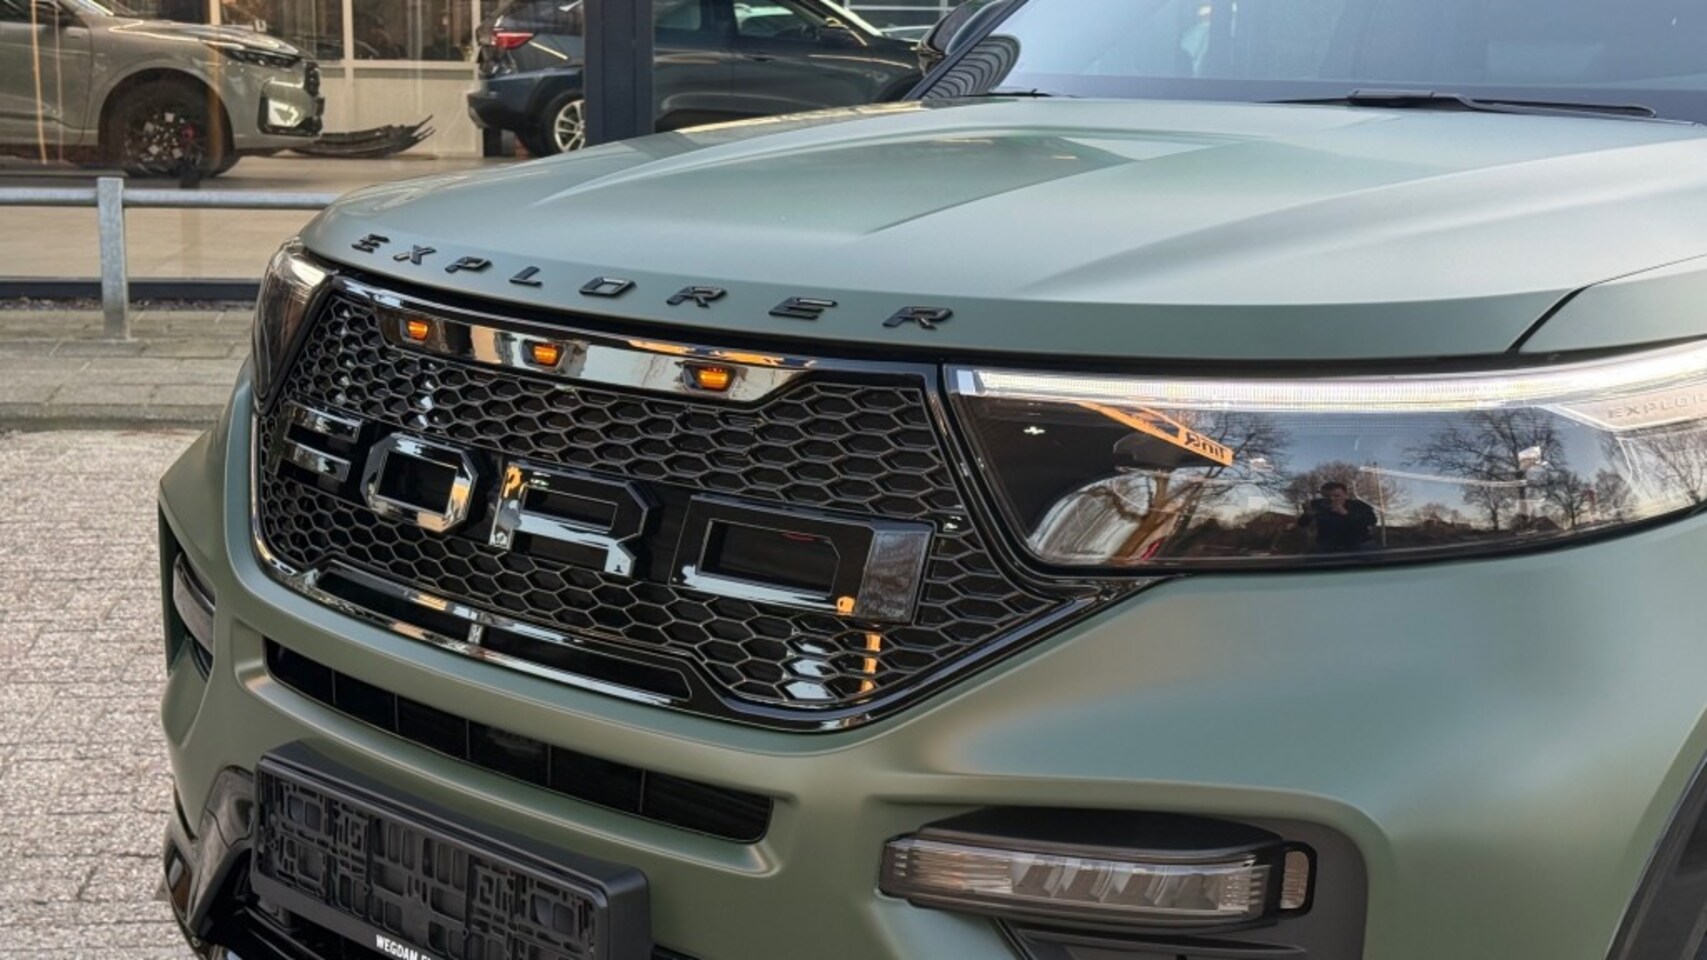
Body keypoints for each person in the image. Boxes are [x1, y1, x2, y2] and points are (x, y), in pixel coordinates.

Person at [1298, 481, 1379, 552]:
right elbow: (1302, 524)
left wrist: (1345, 513)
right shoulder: (1317, 505)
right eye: (1327, 496)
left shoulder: (1359, 505)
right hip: (1327, 546)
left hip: (1359, 544)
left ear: (1345, 495)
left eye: (1337, 496)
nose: (1332, 499)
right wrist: (1307, 515)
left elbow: (1372, 521)